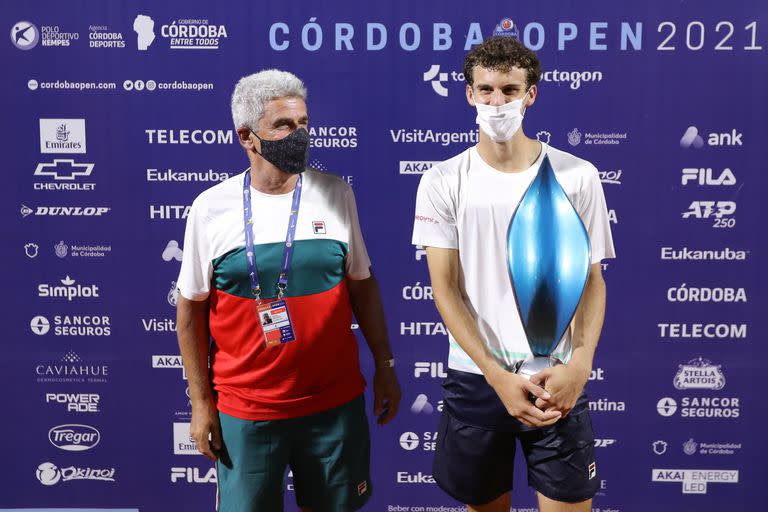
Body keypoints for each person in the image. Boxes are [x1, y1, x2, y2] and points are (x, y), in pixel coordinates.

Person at [176, 69, 400, 512]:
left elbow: (363, 286)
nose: (299, 135)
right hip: (248, 412)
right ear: (247, 136)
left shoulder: (336, 193)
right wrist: (200, 403)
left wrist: (385, 364)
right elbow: (189, 313)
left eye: (303, 124)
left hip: (334, 408)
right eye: (283, 125)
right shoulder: (210, 209)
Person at [412, 36, 615, 512]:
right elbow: (446, 289)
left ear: (532, 94)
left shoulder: (577, 175)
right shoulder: (443, 179)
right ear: (468, 94)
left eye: (509, 89)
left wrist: (580, 366)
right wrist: (496, 376)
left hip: (557, 378)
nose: (497, 102)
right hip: (477, 379)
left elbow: (591, 282)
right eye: (486, 90)